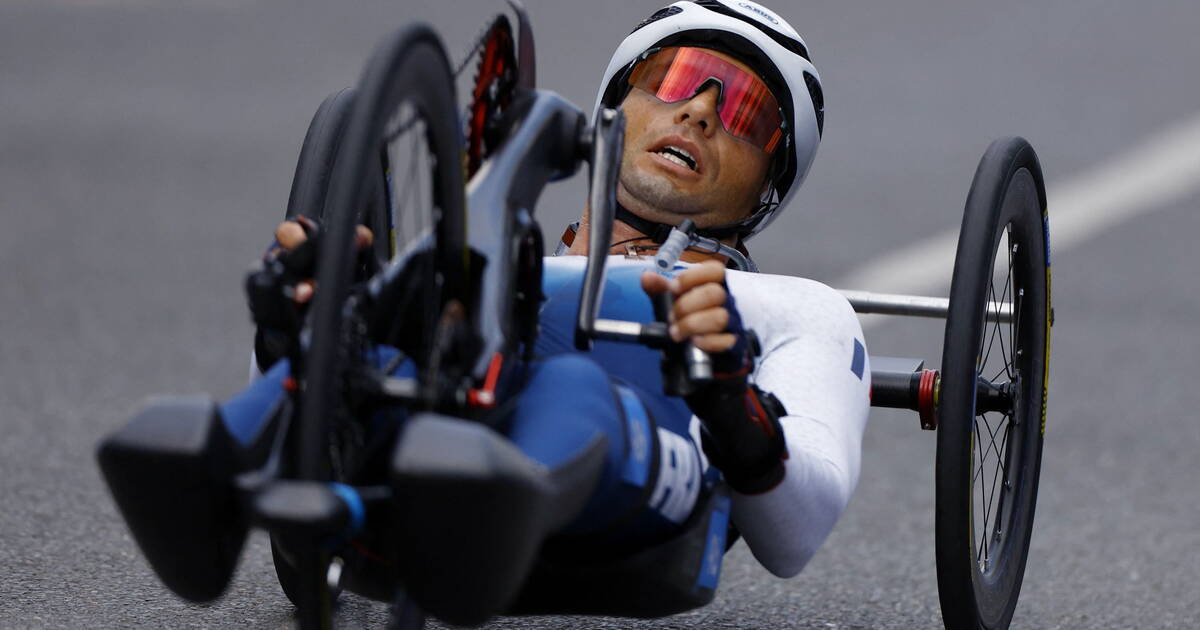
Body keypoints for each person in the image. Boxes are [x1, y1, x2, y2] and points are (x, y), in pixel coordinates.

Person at [253, 0, 868, 617]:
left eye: (744, 112)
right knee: (361, 345)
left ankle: (481, 499)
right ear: (614, 109)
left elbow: (794, 538)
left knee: (573, 385)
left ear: (769, 186)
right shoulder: (480, 268)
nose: (699, 110)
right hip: (428, 466)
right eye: (671, 79)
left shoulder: (795, 308)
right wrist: (306, 324)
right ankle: (209, 456)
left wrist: (731, 397)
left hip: (644, 514)